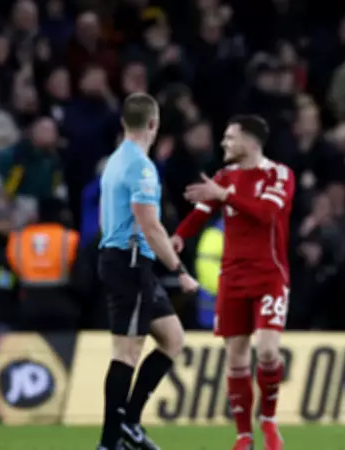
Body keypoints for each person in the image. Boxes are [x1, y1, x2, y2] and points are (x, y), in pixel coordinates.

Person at [172, 115, 296, 450]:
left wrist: (224, 195)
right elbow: (201, 212)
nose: (224, 143)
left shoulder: (279, 174)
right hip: (232, 278)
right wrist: (179, 236)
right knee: (236, 359)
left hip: (269, 275)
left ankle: (268, 418)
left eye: (230, 137)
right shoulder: (224, 177)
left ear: (250, 141)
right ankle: (244, 436)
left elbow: (266, 213)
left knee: (267, 352)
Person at [97, 92, 198, 450]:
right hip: (129, 262)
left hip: (126, 258)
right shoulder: (141, 167)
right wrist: (179, 269)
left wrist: (155, 245)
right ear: (153, 125)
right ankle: (110, 441)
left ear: (125, 122)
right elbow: (150, 226)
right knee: (126, 352)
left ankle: (130, 423)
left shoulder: (114, 161)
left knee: (172, 338)